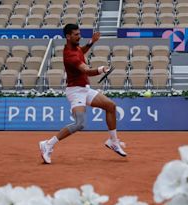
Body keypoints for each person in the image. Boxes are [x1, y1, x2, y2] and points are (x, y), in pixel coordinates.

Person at [38, 24, 127, 164]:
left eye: (79, 34)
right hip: (75, 91)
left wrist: (91, 42)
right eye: (76, 34)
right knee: (80, 124)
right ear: (68, 36)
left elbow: (82, 50)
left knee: (110, 106)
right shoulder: (69, 55)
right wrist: (101, 69)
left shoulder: (75, 48)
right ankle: (48, 144)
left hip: (85, 89)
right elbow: (87, 71)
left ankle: (113, 141)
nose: (79, 36)